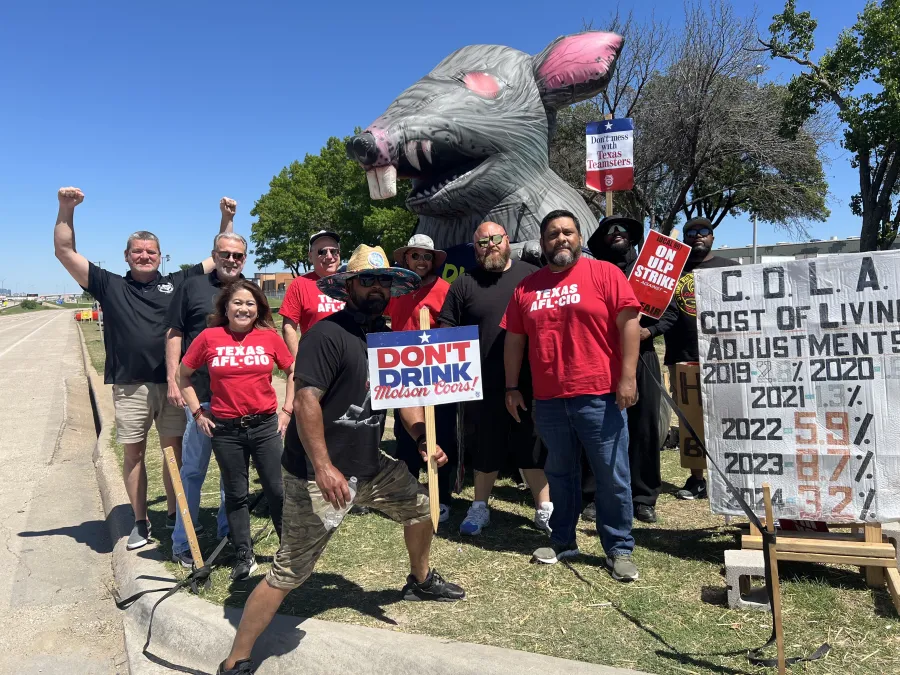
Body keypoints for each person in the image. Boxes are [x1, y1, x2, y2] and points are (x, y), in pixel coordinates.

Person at [216, 245, 465, 675]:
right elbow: (308, 401)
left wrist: (423, 437)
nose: (376, 288)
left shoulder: (385, 339)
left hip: (370, 464)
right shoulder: (326, 336)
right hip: (318, 474)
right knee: (290, 570)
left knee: (422, 509)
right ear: (348, 286)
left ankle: (420, 580)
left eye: (383, 281)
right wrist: (325, 467)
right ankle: (236, 659)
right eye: (367, 280)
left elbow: (402, 399)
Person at [53, 187, 234, 551]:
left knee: (174, 453)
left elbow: (220, 256)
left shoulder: (178, 282)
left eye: (151, 251)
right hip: (130, 385)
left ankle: (174, 513)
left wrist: (227, 220)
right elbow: (65, 251)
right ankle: (139, 520)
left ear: (159, 255)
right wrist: (65, 209)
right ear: (127, 255)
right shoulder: (109, 285)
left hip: (172, 384)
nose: (145, 256)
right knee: (133, 452)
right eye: (138, 251)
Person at [503, 209, 642, 581]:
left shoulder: (605, 274)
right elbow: (515, 340)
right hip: (548, 400)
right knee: (560, 473)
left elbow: (630, 324)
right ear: (543, 243)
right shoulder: (527, 287)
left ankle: (618, 548)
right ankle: (563, 539)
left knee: (612, 475)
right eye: (552, 234)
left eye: (568, 232)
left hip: (601, 395)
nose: (561, 238)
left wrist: (628, 378)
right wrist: (512, 387)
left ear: (579, 238)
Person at [438, 222, 552, 537]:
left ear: (507, 241)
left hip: (529, 380)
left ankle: (544, 507)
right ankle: (479, 506)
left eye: (496, 239)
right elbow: (446, 325)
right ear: (475, 249)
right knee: (485, 446)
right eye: (482, 242)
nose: (490, 245)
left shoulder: (531, 275)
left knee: (530, 444)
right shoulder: (463, 283)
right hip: (481, 382)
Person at [179, 280, 294, 581]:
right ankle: (245, 553)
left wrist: (287, 410)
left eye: (250, 304)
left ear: (258, 310)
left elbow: (293, 370)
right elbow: (183, 375)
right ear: (226, 308)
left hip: (265, 425)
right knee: (235, 493)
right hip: (226, 430)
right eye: (238, 303)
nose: (244, 308)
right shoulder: (209, 337)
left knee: (277, 490)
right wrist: (197, 412)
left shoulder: (269, 338)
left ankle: (290, 550)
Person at [165, 228, 249, 567]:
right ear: (214, 255)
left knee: (233, 473)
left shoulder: (249, 290)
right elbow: (174, 333)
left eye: (237, 256)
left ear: (244, 259)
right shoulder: (192, 286)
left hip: (238, 400)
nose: (231, 260)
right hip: (200, 398)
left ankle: (229, 533)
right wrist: (173, 378)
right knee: (194, 470)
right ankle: (184, 541)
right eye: (225, 254)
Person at [586, 215, 677, 524]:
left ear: (632, 236)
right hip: (602, 357)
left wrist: (648, 333)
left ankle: (643, 496)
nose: (616, 234)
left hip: (644, 357)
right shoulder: (591, 273)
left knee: (645, 426)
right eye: (609, 230)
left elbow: (671, 314)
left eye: (622, 229)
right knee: (599, 427)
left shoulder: (650, 272)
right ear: (600, 239)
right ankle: (594, 493)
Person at [664, 217, 738, 501]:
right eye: (690, 233)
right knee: (690, 422)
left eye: (703, 232)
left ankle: (729, 477)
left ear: (712, 237)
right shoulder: (672, 272)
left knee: (726, 418)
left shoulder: (729, 268)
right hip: (682, 355)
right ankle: (697, 480)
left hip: (725, 358)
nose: (697, 236)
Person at [387, 234, 457, 522]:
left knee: (441, 434)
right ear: (406, 258)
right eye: (416, 255)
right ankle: (410, 493)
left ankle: (441, 495)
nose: (422, 261)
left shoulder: (445, 290)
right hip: (403, 375)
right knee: (406, 436)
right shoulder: (395, 290)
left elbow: (453, 331)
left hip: (438, 374)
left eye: (427, 257)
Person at [279, 230, 345, 356]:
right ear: (310, 256)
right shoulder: (299, 284)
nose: (329, 256)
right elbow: (288, 328)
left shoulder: (351, 282)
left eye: (334, 251)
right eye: (322, 252)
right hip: (316, 360)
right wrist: (299, 363)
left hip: (348, 361)